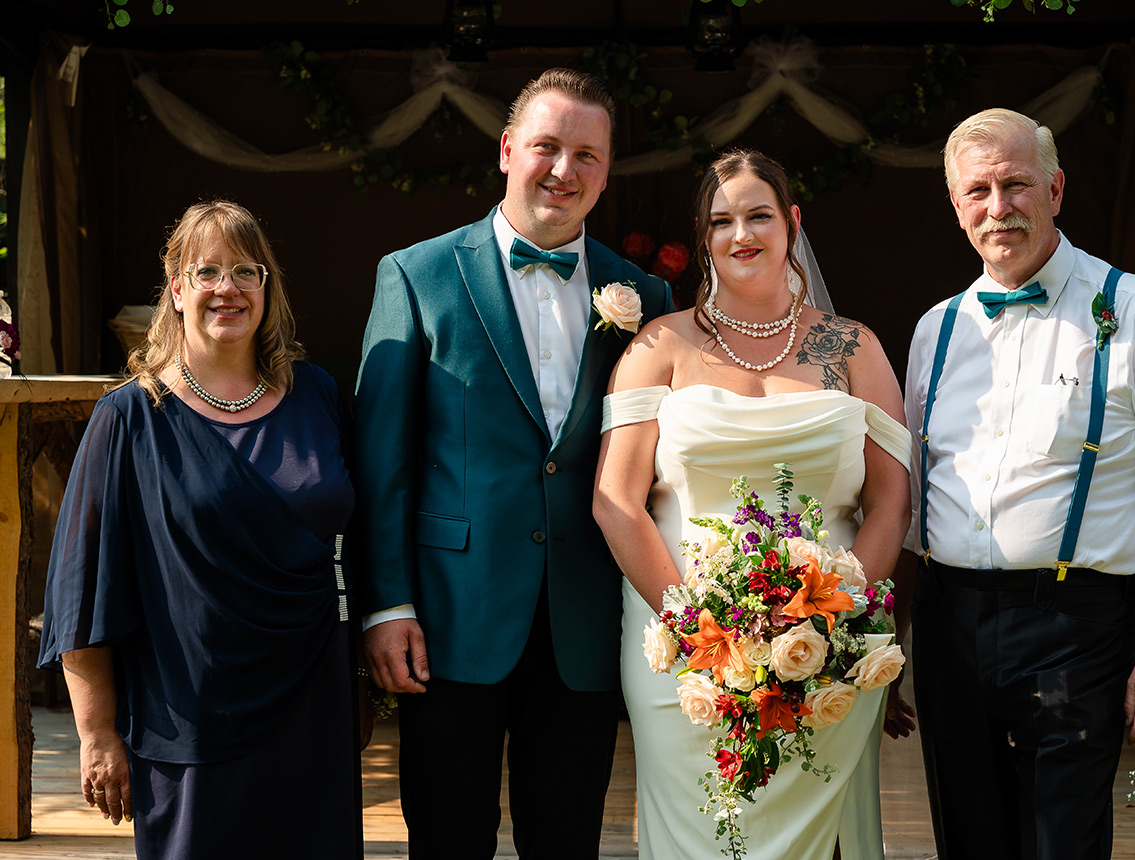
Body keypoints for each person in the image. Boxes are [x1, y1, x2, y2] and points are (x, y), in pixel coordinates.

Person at [354, 68, 672, 860]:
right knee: (447, 836)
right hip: (449, 617)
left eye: (586, 155)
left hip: (585, 615)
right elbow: (380, 461)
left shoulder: (644, 296)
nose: (564, 171)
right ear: (506, 151)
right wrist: (385, 605)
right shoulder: (418, 275)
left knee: (566, 840)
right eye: (546, 147)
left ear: (605, 169)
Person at [897, 108, 1135, 860]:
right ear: (955, 206)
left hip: (1073, 627)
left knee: (1062, 846)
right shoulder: (935, 329)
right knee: (967, 840)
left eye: (1015, 184)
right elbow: (914, 508)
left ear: (1055, 188)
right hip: (948, 626)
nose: (997, 206)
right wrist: (892, 645)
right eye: (976, 190)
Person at [594, 147, 913, 859]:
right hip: (681, 652)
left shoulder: (852, 348)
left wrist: (833, 618)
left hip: (828, 647)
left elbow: (891, 504)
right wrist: (703, 631)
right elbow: (616, 502)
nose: (741, 234)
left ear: (791, 222)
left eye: (758, 215)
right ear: (702, 237)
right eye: (720, 221)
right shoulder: (658, 345)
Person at [38, 200, 361, 858]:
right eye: (206, 270)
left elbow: (362, 532)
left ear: (268, 288)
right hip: (188, 712)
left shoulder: (318, 395)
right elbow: (80, 587)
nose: (227, 288)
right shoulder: (129, 419)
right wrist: (98, 736)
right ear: (176, 289)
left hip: (312, 702)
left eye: (247, 270)